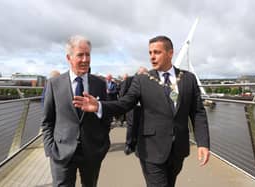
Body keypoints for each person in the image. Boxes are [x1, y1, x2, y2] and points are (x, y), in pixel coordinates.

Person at [73, 35, 210, 187]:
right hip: (151, 149)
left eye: (157, 52)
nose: (152, 57)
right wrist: (100, 106)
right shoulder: (142, 80)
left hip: (178, 149)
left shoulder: (188, 79)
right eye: (150, 53)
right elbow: (125, 103)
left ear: (170, 53)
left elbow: (198, 112)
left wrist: (203, 143)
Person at [41, 35, 110, 187]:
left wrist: (103, 145)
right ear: (69, 57)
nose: (85, 59)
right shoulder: (54, 84)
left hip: (92, 152)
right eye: (80, 55)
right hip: (61, 153)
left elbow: (106, 117)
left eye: (88, 54)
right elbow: (47, 121)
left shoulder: (99, 83)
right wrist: (50, 150)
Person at [118, 67, 148, 155]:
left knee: (140, 126)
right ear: (138, 73)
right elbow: (122, 94)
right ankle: (129, 145)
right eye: (143, 74)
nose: (145, 76)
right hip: (131, 108)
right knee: (131, 127)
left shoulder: (147, 82)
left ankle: (138, 145)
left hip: (143, 108)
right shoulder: (129, 80)